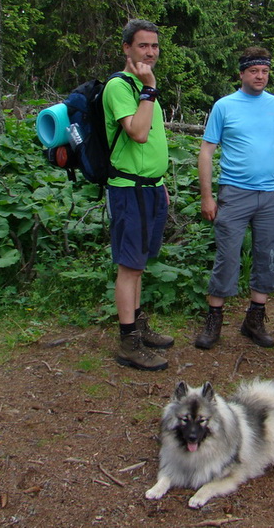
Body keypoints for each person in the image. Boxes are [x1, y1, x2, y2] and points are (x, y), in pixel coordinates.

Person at [194, 47, 274, 350]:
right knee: (227, 257)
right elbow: (206, 152)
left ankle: (254, 319)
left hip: (271, 194)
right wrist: (207, 197)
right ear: (242, 73)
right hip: (234, 193)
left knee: (268, 255)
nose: (260, 76)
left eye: (265, 71)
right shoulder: (225, 106)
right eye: (254, 71)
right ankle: (214, 319)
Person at [104, 19, 173, 371]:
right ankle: (128, 340)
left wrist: (160, 185)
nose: (150, 52)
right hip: (128, 190)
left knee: (139, 264)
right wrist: (148, 89)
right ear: (127, 48)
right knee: (129, 266)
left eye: (154, 46)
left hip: (150, 188)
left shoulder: (142, 85)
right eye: (143, 45)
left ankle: (138, 324)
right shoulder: (120, 87)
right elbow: (138, 134)